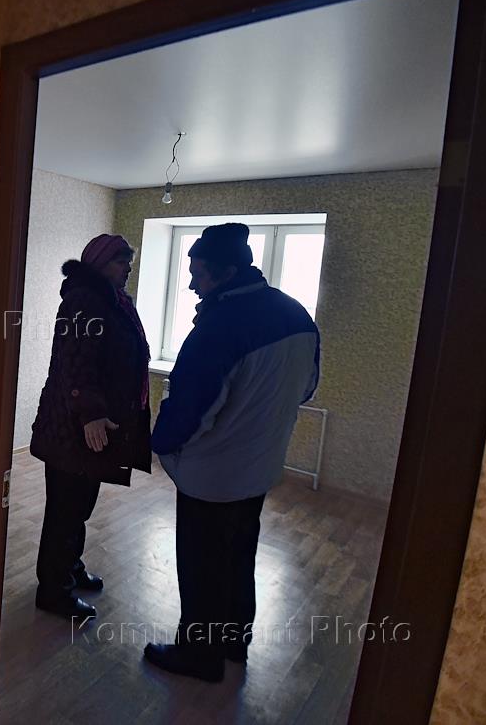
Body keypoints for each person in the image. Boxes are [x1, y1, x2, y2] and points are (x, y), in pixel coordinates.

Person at [143, 222, 320, 682]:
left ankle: (198, 657)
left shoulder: (221, 327)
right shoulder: (297, 315)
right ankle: (233, 644)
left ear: (225, 272)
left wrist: (159, 443)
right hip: (260, 469)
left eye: (197, 273)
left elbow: (191, 410)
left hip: (213, 476)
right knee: (239, 557)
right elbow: (306, 388)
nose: (190, 284)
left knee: (202, 567)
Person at [29, 233, 152, 620]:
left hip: (87, 427)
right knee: (65, 510)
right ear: (99, 264)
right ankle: (54, 591)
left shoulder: (110, 299)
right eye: (120, 261)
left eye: (129, 262)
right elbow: (75, 361)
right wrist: (91, 413)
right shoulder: (85, 299)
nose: (127, 268)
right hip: (75, 426)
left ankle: (70, 567)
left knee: (79, 505)